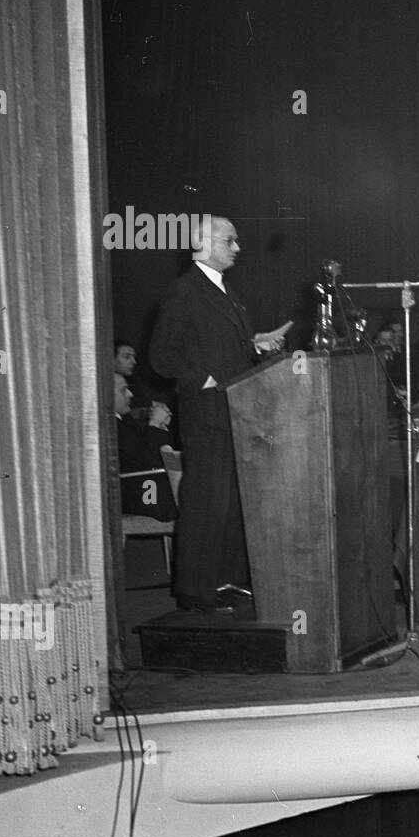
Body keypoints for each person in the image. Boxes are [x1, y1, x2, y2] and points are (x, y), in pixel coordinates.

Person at [149, 217, 285, 614]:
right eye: (230, 240)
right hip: (207, 412)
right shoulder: (184, 291)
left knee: (229, 502)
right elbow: (162, 355)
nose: (238, 247)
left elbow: (227, 349)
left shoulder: (225, 292)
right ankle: (195, 590)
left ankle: (225, 580)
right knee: (206, 500)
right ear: (202, 243)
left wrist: (257, 347)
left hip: (236, 411)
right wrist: (204, 379)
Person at [114, 373, 177, 521]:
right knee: (196, 498)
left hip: (144, 488)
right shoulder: (110, 425)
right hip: (142, 495)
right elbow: (145, 460)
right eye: (123, 390)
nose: (130, 394)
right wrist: (155, 424)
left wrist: (161, 426)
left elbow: (149, 454)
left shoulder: (123, 421)